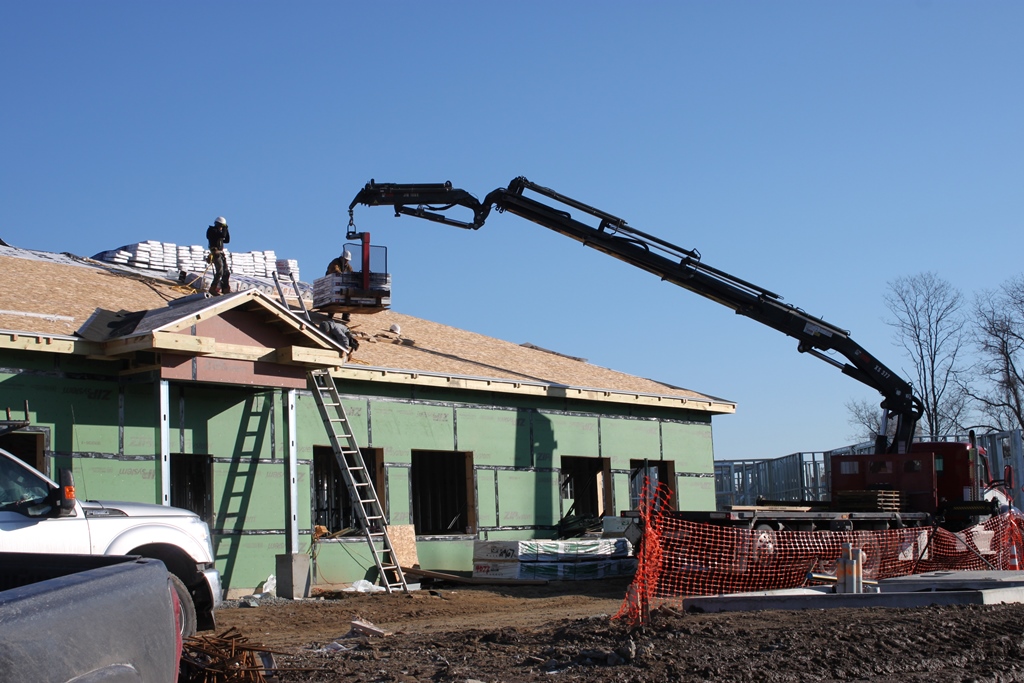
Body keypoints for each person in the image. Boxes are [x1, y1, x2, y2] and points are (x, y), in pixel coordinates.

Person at [206, 216, 231, 295]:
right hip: (215, 253)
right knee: (219, 272)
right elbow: (222, 235)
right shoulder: (212, 231)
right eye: (221, 226)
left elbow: (227, 240)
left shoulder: (219, 233)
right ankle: (213, 288)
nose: (221, 228)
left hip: (220, 253)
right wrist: (225, 229)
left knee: (226, 272)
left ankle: (225, 289)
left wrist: (226, 229)